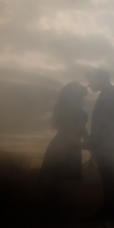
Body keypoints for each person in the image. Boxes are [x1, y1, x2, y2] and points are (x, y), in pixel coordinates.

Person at [39, 81, 89, 214]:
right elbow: (77, 128)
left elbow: (77, 128)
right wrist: (88, 142)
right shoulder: (71, 108)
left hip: (66, 144)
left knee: (56, 179)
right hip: (66, 145)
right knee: (57, 178)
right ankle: (51, 213)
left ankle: (51, 212)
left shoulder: (69, 106)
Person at [87, 69, 114, 219]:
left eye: (91, 80)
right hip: (106, 141)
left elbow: (106, 122)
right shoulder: (111, 93)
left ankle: (111, 209)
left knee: (109, 174)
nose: (89, 84)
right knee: (109, 175)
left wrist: (95, 140)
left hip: (106, 142)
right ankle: (110, 208)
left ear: (100, 79)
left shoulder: (110, 95)